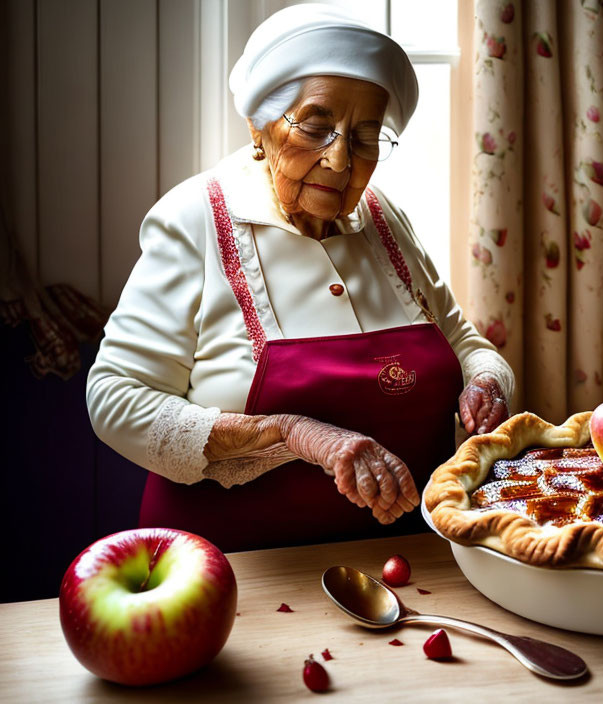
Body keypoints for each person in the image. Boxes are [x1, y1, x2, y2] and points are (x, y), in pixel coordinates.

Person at [86, 4, 514, 552]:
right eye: (315, 127)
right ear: (260, 124)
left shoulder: (385, 219)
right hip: (232, 573)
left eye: (364, 139)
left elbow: (467, 343)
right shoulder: (196, 219)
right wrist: (294, 434)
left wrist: (486, 384)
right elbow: (115, 398)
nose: (339, 161)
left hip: (411, 560)